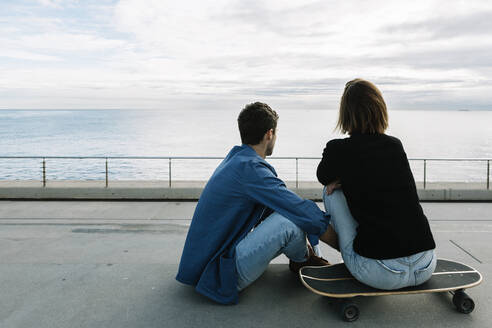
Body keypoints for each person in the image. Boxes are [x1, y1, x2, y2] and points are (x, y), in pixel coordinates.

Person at [176, 102, 330, 305]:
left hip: (203, 265)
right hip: (218, 273)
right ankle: (304, 261)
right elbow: (298, 210)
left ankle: (304, 259)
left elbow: (281, 207)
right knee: (289, 221)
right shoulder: (251, 169)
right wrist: (345, 247)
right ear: (269, 134)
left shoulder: (236, 160)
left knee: (290, 213)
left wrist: (311, 238)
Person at [317, 78, 437, 290]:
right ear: (380, 109)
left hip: (381, 272)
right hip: (426, 263)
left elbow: (323, 176)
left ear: (345, 113)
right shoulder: (395, 146)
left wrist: (343, 179)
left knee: (330, 192)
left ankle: (357, 254)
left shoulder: (338, 149)